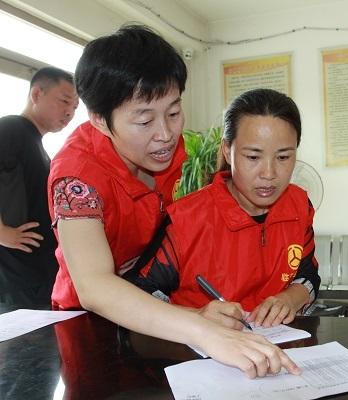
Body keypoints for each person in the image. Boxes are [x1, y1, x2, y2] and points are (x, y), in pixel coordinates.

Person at [48, 25, 299, 378]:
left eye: (174, 112)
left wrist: (195, 315)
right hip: (91, 326)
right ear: (101, 120)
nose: (165, 135)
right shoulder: (76, 178)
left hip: (147, 315)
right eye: (144, 120)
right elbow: (94, 286)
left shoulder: (160, 151)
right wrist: (204, 332)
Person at [128, 88, 320, 329]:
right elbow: (137, 296)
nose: (269, 174)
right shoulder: (187, 219)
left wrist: (290, 299)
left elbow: (308, 276)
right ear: (228, 151)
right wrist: (197, 315)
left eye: (283, 157)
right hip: (193, 348)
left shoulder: (299, 206)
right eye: (253, 157)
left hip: (272, 345)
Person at [0, 67, 78, 307]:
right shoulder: (11, 128)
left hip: (38, 275)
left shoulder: (36, 143)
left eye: (75, 107)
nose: (69, 112)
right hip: (17, 278)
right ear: (36, 94)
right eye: (64, 101)